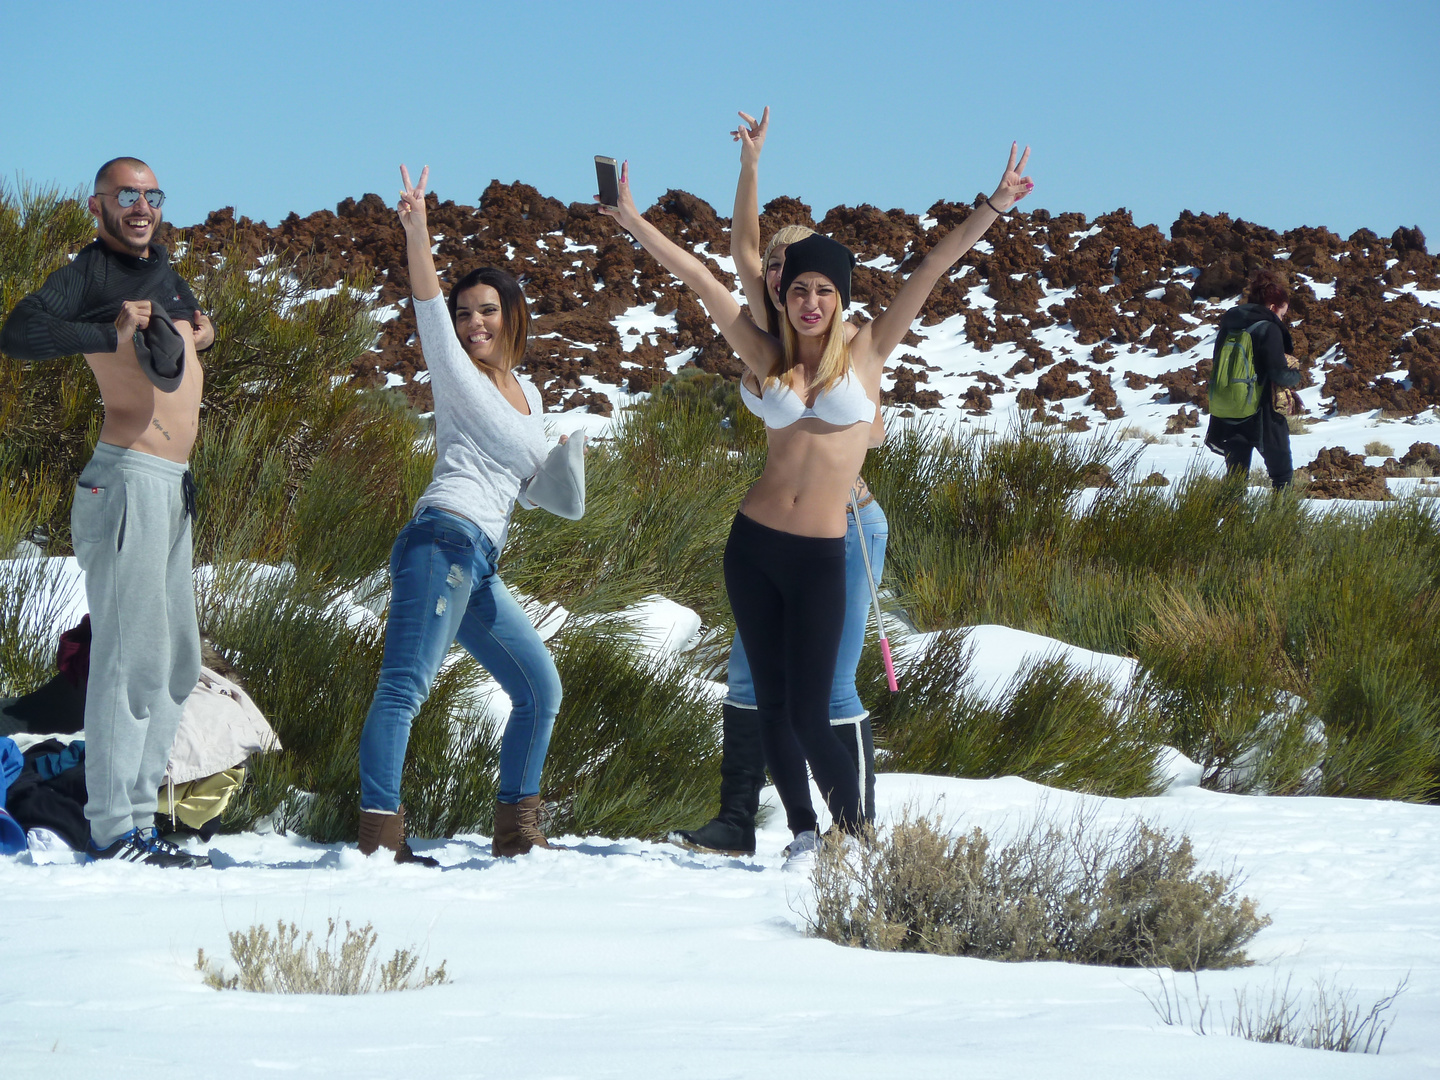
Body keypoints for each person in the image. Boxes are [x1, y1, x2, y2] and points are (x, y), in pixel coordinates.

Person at [601, 143, 1033, 863]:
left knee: (810, 706)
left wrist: (991, 206)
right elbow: (705, 276)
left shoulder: (866, 352)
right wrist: (631, 221)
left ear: (840, 298)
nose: (808, 302)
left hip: (824, 548)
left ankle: (857, 838)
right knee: (768, 700)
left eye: (822, 292)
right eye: (797, 290)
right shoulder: (763, 351)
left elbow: (932, 268)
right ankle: (802, 832)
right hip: (754, 543)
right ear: (784, 296)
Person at [672, 110, 889, 858]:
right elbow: (732, 252)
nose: (776, 275)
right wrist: (750, 165)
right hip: (770, 533)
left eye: (794, 269)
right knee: (750, 675)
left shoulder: (843, 336)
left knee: (828, 690)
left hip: (848, 523)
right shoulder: (766, 327)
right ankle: (750, 819)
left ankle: (856, 827)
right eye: (776, 269)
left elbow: (868, 418)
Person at [1, 157, 215, 868]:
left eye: (154, 195)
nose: (143, 206)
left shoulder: (161, 267)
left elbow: (189, 331)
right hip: (127, 481)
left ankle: (138, 818)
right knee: (130, 661)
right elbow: (20, 332)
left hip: (172, 486)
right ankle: (112, 827)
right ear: (98, 205)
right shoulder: (91, 274)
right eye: (128, 195)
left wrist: (197, 330)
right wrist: (108, 335)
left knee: (177, 662)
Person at [356, 166, 566, 864]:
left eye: (487, 310)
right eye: (466, 311)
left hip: (480, 562)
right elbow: (423, 300)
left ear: (512, 315)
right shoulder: (456, 370)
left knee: (540, 687)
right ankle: (381, 836)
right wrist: (416, 226)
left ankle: (517, 831)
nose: (474, 322)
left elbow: (538, 487)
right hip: (441, 541)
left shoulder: (529, 393)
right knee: (404, 689)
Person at [1203, 269, 1302, 489]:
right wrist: (1296, 375)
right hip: (1263, 416)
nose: (1282, 319)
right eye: (1283, 315)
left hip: (1228, 414)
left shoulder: (1228, 325)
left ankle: (1231, 521)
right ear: (1273, 307)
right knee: (1282, 476)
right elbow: (1278, 373)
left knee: (1236, 480)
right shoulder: (1269, 329)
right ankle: (1280, 523)